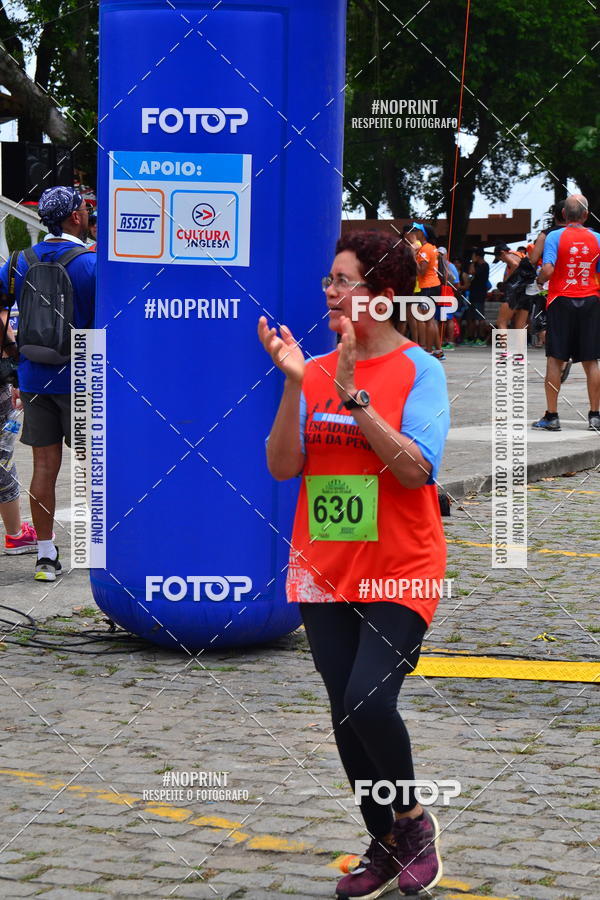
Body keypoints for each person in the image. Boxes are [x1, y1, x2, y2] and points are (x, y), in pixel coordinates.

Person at [258, 230, 450, 899]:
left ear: (384, 297)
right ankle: (383, 839)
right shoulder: (310, 369)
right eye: (330, 282)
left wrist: (354, 398)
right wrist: (293, 385)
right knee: (344, 710)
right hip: (325, 565)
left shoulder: (420, 372)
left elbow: (415, 469)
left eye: (345, 281)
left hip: (402, 563)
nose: (332, 293)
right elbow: (283, 465)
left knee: (369, 699)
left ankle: (413, 822)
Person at [0, 186, 96, 580]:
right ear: (75, 216)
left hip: (35, 376)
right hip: (85, 379)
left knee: (44, 466)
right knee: (98, 468)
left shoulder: (19, 261)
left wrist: (12, 356)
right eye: (87, 209)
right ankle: (100, 551)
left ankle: (44, 556)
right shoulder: (92, 264)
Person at [532, 193, 600, 432]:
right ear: (586, 214)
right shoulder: (598, 238)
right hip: (591, 300)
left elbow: (548, 269)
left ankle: (552, 416)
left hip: (561, 300)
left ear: (563, 214)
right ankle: (595, 416)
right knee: (591, 360)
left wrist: (540, 281)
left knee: (555, 358)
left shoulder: (554, 236)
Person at [414, 224, 443, 359]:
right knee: (431, 320)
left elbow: (422, 271)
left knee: (427, 319)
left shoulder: (424, 250)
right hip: (434, 285)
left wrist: (412, 258)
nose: (415, 232)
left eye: (417, 230)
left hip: (428, 287)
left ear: (422, 233)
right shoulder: (432, 247)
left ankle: (429, 351)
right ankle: (438, 350)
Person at [494, 244, 524, 329]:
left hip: (513, 291)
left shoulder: (509, 256)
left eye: (500, 258)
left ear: (502, 253)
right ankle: (519, 343)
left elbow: (515, 265)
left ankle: (503, 343)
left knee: (501, 322)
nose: (502, 261)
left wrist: (506, 280)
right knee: (519, 325)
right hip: (525, 292)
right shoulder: (520, 256)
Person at [464, 247, 489, 344]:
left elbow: (471, 272)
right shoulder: (479, 265)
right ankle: (471, 337)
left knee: (480, 317)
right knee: (472, 318)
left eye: (473, 256)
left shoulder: (484, 265)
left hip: (479, 295)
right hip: (473, 294)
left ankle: (481, 338)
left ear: (477, 256)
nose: (472, 257)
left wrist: (472, 262)